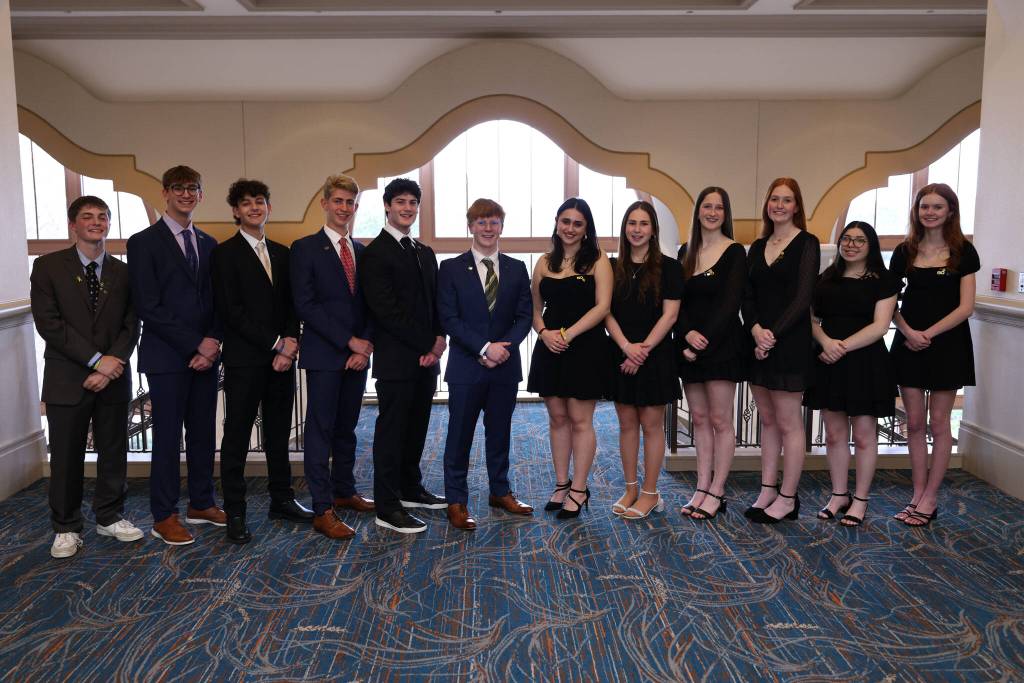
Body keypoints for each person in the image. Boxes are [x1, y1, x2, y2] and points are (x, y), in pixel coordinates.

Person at [30, 195, 142, 558]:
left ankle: (109, 516)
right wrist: (96, 361)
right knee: (65, 456)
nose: (96, 222)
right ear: (72, 225)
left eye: (102, 217)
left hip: (114, 376)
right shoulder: (47, 267)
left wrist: (111, 364)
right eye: (87, 217)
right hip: (68, 378)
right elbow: (50, 325)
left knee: (114, 451)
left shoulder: (123, 272)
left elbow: (131, 325)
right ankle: (65, 527)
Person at [127, 166, 225, 545]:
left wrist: (212, 341)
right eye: (179, 188)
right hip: (167, 357)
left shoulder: (208, 242)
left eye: (193, 189)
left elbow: (218, 301)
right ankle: (164, 514)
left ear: (200, 195)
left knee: (202, 433)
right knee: (167, 439)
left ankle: (201, 502)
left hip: (206, 356)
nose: (186, 194)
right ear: (165, 193)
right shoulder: (143, 242)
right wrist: (193, 344)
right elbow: (148, 305)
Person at [211, 178, 312, 545]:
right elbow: (231, 312)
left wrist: (290, 345)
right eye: (246, 203)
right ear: (236, 211)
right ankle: (235, 511)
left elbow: (292, 306)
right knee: (237, 435)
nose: (255, 207)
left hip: (282, 361)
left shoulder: (284, 253)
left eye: (260, 201)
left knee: (277, 434)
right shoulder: (223, 255)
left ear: (268, 207)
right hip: (245, 360)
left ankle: (282, 499)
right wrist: (276, 344)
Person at [437, 198, 534, 530]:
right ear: (470, 226)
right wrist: (483, 348)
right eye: (481, 222)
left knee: (500, 433)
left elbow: (524, 316)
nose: (488, 228)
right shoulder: (450, 268)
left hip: (504, 366)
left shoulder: (516, 268)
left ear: (501, 227)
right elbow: (448, 318)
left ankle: (500, 491)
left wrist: (502, 349)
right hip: (466, 366)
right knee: (459, 435)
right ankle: (456, 500)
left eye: (494, 222)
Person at [290, 174, 377, 540]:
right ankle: (323, 508)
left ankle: (345, 490)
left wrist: (366, 344)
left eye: (350, 203)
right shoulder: (305, 248)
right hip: (326, 355)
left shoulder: (361, 250)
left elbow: (373, 304)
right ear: (325, 203)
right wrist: (349, 342)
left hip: (357, 358)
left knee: (347, 429)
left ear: (356, 207)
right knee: (320, 431)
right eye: (337, 201)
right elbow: (305, 305)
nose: (344, 208)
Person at [359, 177, 447, 534]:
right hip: (397, 361)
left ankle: (411, 489)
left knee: (417, 429)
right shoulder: (375, 253)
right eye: (400, 202)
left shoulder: (424, 252)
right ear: (387, 205)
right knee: (391, 433)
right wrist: (427, 344)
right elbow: (386, 311)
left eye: (412, 202)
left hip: (427, 360)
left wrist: (439, 340)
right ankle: (387, 505)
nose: (407, 208)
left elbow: (436, 303)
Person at [889, 183, 978, 527]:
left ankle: (931, 497)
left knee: (939, 423)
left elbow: (966, 306)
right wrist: (909, 332)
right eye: (924, 206)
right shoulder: (904, 251)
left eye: (937, 207)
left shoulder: (963, 252)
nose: (929, 212)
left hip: (948, 345)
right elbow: (888, 302)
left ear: (950, 211)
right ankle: (917, 493)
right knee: (912, 424)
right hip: (908, 342)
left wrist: (929, 334)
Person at [804, 221, 899, 527]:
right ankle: (839, 494)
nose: (852, 244)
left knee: (863, 435)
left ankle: (860, 499)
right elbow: (812, 320)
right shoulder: (825, 278)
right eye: (847, 238)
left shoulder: (884, 280)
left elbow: (880, 326)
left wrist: (840, 347)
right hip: (829, 359)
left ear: (870, 245)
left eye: (859, 240)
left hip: (865, 362)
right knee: (834, 434)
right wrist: (826, 343)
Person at [526, 197, 613, 519]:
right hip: (550, 347)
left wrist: (568, 334)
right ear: (557, 222)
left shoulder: (598, 260)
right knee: (557, 419)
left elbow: (602, 307)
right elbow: (535, 309)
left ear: (586, 227)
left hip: (584, 346)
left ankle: (579, 488)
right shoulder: (544, 262)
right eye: (566, 221)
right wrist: (544, 333)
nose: (570, 228)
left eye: (578, 223)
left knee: (580, 420)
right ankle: (561, 484)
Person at [742, 177, 821, 524]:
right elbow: (748, 297)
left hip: (790, 343)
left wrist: (772, 335)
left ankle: (788, 497)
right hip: (759, 341)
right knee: (768, 421)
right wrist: (757, 330)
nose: (779, 205)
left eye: (786, 200)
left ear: (796, 207)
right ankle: (767, 489)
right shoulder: (757, 247)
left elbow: (803, 297)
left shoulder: (807, 243)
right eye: (774, 199)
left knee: (789, 423)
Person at [604, 201, 680, 520]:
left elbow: (671, 314)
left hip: (655, 354)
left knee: (651, 425)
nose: (637, 229)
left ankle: (650, 492)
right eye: (631, 223)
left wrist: (642, 350)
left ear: (653, 229)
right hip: (621, 354)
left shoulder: (670, 267)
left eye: (643, 223)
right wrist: (625, 346)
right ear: (625, 228)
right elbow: (604, 311)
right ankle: (631, 488)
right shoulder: (611, 266)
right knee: (626, 425)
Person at [675, 187, 747, 521]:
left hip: (721, 348)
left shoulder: (735, 252)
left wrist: (703, 341)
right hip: (690, 349)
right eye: (707, 206)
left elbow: (730, 305)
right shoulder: (684, 251)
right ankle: (701, 487)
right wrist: (687, 337)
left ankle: (718, 490)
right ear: (698, 211)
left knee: (720, 421)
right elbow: (678, 303)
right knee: (699, 421)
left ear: (726, 213)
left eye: (719, 207)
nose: (713, 212)